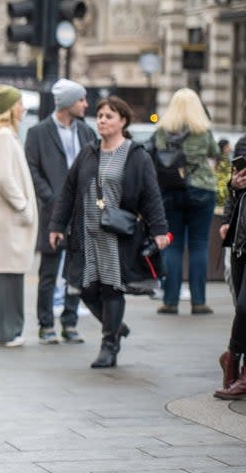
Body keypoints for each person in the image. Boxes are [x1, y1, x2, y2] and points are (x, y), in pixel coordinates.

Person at [49, 97, 169, 369]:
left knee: (112, 288)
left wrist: (160, 229)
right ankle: (115, 327)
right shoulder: (88, 152)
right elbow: (68, 192)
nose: (102, 120)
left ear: (123, 122)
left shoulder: (136, 155)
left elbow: (151, 195)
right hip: (87, 233)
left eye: (109, 116)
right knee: (85, 289)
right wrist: (57, 225)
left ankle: (109, 347)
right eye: (100, 115)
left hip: (117, 236)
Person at [25, 78, 97, 344]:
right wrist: (52, 198)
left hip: (82, 213)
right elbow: (31, 170)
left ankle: (70, 322)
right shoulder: (37, 133)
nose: (86, 105)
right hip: (53, 212)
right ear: (68, 103)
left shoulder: (86, 132)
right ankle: (45, 324)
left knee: (76, 271)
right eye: (81, 100)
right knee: (49, 271)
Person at [0, 86, 38, 348]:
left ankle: (5, 330)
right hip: (6, 215)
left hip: (4, 214)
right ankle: (2, 331)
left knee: (7, 273)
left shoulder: (3, 134)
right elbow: (5, 177)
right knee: (5, 274)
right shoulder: (3, 135)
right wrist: (22, 205)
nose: (23, 108)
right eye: (20, 103)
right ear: (11, 107)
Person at [155, 88, 221, 315]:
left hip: (172, 189)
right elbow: (215, 152)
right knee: (199, 245)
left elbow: (156, 153)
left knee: (173, 245)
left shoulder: (163, 130)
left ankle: (170, 301)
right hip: (202, 188)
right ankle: (199, 301)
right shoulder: (202, 130)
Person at [216, 135, 246, 400]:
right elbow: (233, 191)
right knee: (241, 305)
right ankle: (232, 359)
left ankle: (237, 364)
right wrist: (235, 186)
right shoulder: (244, 143)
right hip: (242, 237)